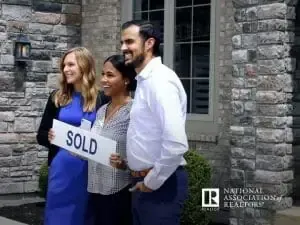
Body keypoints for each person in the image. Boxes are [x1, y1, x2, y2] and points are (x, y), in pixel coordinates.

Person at [120, 20, 189, 225]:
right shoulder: (145, 80)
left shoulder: (160, 81)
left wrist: (152, 182)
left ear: (149, 44)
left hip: (161, 187)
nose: (123, 48)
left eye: (129, 41)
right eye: (122, 42)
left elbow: (176, 144)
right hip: (145, 184)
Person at [36, 47, 109, 225]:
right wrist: (50, 136)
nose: (66, 69)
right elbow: (41, 134)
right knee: (57, 218)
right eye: (64, 66)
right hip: (61, 169)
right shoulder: (57, 97)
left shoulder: (102, 98)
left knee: (85, 216)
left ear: (84, 66)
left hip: (88, 172)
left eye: (71, 64)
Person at [88, 54, 136, 225]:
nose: (103, 80)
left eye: (110, 75)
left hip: (119, 192)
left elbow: (145, 152)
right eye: (103, 74)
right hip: (95, 189)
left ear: (126, 80)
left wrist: (125, 163)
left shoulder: (134, 111)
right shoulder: (101, 110)